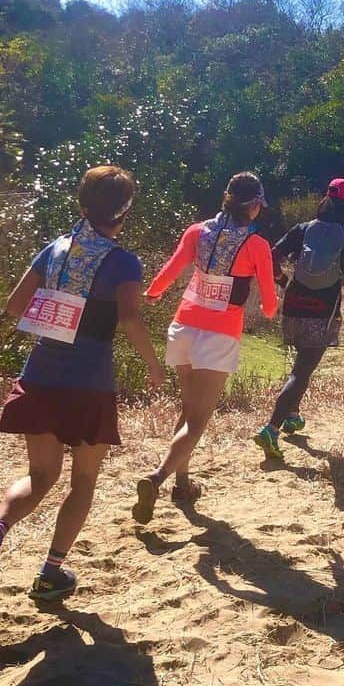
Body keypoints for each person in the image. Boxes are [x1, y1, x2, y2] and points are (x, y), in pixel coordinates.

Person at [0, 166, 164, 601]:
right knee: (83, 480)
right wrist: (153, 364)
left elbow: (15, 306)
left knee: (39, 475)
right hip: (90, 383)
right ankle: (51, 572)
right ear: (124, 211)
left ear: (83, 204)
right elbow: (129, 318)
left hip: (40, 377)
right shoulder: (123, 262)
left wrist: (57, 310)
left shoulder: (55, 249)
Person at [134, 172, 277, 523]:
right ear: (254, 205)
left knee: (188, 410)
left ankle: (182, 484)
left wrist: (153, 292)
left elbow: (172, 268)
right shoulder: (257, 244)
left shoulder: (197, 231)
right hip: (219, 335)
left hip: (182, 327)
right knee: (197, 421)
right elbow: (270, 301)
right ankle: (158, 477)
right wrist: (270, 311)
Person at [254, 178, 344, 461]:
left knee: (301, 364)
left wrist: (283, 281)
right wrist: (340, 277)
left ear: (326, 201)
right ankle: (271, 427)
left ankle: (293, 415)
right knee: (302, 371)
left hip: (293, 306)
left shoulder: (302, 230)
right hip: (323, 312)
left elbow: (272, 256)